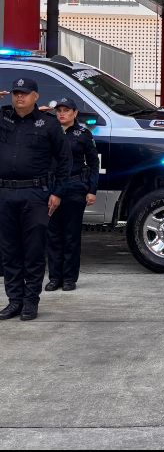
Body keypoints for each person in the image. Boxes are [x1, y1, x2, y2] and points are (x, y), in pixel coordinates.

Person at [0, 79, 71, 322]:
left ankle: (31, 302)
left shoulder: (49, 124)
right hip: (6, 193)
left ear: (36, 96)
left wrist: (57, 192)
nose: (19, 97)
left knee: (33, 249)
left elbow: (64, 161)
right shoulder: (2, 118)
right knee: (9, 251)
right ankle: (14, 301)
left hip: (36, 194)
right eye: (16, 93)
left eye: (25, 93)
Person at [45, 98, 100, 292]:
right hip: (52, 188)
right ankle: (54, 278)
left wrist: (92, 190)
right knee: (53, 235)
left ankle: (69, 278)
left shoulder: (83, 134)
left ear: (75, 113)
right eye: (58, 110)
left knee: (71, 235)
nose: (61, 114)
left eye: (66, 110)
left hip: (75, 187)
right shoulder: (50, 132)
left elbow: (94, 164)